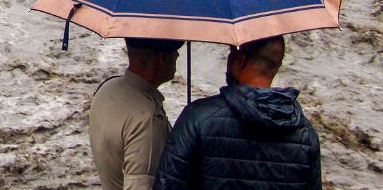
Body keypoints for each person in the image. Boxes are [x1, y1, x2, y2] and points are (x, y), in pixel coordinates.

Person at [153, 35, 321, 189]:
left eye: (232, 51)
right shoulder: (305, 134)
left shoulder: (198, 117)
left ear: (240, 59)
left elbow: (167, 185)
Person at [89, 37, 183, 190]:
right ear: (162, 58)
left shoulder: (107, 89)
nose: (178, 56)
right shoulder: (147, 119)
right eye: (175, 51)